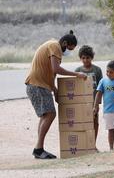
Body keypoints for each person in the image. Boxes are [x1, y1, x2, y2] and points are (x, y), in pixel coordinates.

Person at [25, 30, 88, 159]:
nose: (68, 51)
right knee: (50, 114)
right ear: (64, 42)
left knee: (45, 116)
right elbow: (56, 69)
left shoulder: (52, 45)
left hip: (38, 85)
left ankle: (39, 148)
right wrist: (77, 75)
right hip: (37, 85)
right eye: (68, 48)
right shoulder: (55, 46)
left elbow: (50, 73)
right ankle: (38, 149)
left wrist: (55, 90)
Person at [75, 45, 103, 142]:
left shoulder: (97, 70)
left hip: (93, 102)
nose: (86, 60)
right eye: (83, 58)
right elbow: (75, 88)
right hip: (82, 102)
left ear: (92, 57)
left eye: (88, 58)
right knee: (83, 122)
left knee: (95, 122)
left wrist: (98, 103)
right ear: (80, 58)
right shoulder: (78, 71)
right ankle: (84, 144)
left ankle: (93, 144)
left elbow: (100, 88)